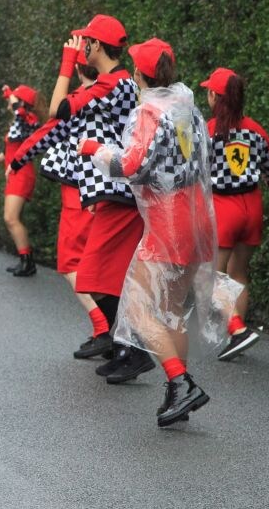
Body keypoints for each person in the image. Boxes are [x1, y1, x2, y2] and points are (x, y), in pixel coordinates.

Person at [80, 38, 237, 426]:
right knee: (169, 313)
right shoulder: (187, 107)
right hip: (196, 213)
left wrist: (96, 150)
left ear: (139, 74)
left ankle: (181, 383)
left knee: (137, 310)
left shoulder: (150, 111)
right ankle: (176, 393)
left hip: (168, 220)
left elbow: (132, 165)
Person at [13, 15, 147, 383]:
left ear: (97, 47)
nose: (81, 47)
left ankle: (132, 348)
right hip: (109, 189)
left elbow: (57, 110)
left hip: (118, 188)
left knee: (91, 275)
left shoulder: (114, 84)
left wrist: (66, 63)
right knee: (104, 277)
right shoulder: (113, 83)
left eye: (85, 42)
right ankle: (126, 348)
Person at [10, 49, 113, 358]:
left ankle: (104, 327)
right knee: (102, 265)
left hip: (79, 191)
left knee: (70, 262)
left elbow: (48, 131)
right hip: (111, 189)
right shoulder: (118, 93)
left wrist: (17, 159)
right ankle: (113, 332)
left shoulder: (80, 99)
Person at [200, 67, 269, 360]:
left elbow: (194, 172)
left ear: (213, 96)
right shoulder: (256, 130)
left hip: (224, 207)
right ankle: (238, 336)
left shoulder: (208, 131)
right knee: (238, 273)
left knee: (212, 275)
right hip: (252, 205)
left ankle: (236, 329)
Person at [0, 84, 43, 276]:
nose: (8, 104)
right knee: (12, 218)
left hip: (22, 172)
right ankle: (25, 259)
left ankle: (28, 261)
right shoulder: (18, 121)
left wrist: (13, 97)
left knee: (10, 218)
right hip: (15, 173)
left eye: (12, 102)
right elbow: (10, 148)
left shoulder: (28, 120)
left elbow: (21, 116)